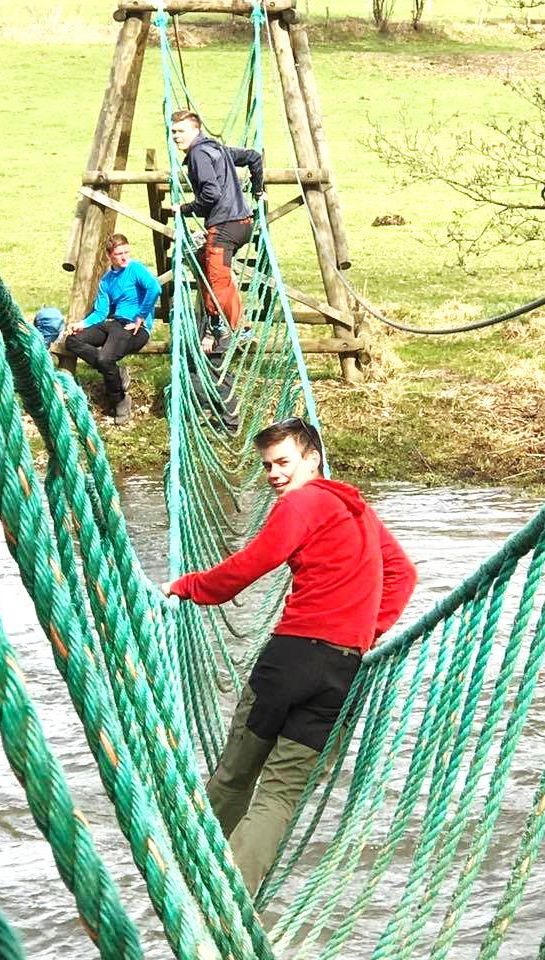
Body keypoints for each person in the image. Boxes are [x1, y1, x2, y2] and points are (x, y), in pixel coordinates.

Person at [162, 418, 418, 895]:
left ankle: (188, 877)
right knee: (279, 796)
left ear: (312, 459)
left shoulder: (299, 502)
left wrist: (188, 587)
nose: (274, 474)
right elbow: (403, 574)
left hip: (291, 659)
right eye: (268, 466)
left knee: (236, 773)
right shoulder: (358, 510)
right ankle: (232, 900)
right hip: (342, 670)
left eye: (283, 462)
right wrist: (364, 631)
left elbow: (253, 563)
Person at [170, 109, 264, 334]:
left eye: (181, 131)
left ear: (196, 130)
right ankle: (215, 317)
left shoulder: (198, 154)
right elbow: (253, 157)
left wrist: (185, 208)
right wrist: (258, 190)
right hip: (243, 224)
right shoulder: (217, 148)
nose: (176, 136)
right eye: (173, 131)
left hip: (224, 227)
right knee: (202, 260)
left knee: (217, 278)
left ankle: (240, 327)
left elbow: (211, 194)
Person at [65, 234, 160, 425]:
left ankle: (120, 400)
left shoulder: (136, 269)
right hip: (115, 322)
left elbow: (155, 288)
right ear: (110, 256)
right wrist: (81, 324)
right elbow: (100, 313)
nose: (125, 257)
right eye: (119, 254)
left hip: (134, 327)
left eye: (126, 252)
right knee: (72, 340)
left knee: (104, 358)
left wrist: (140, 317)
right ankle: (116, 372)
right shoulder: (106, 280)